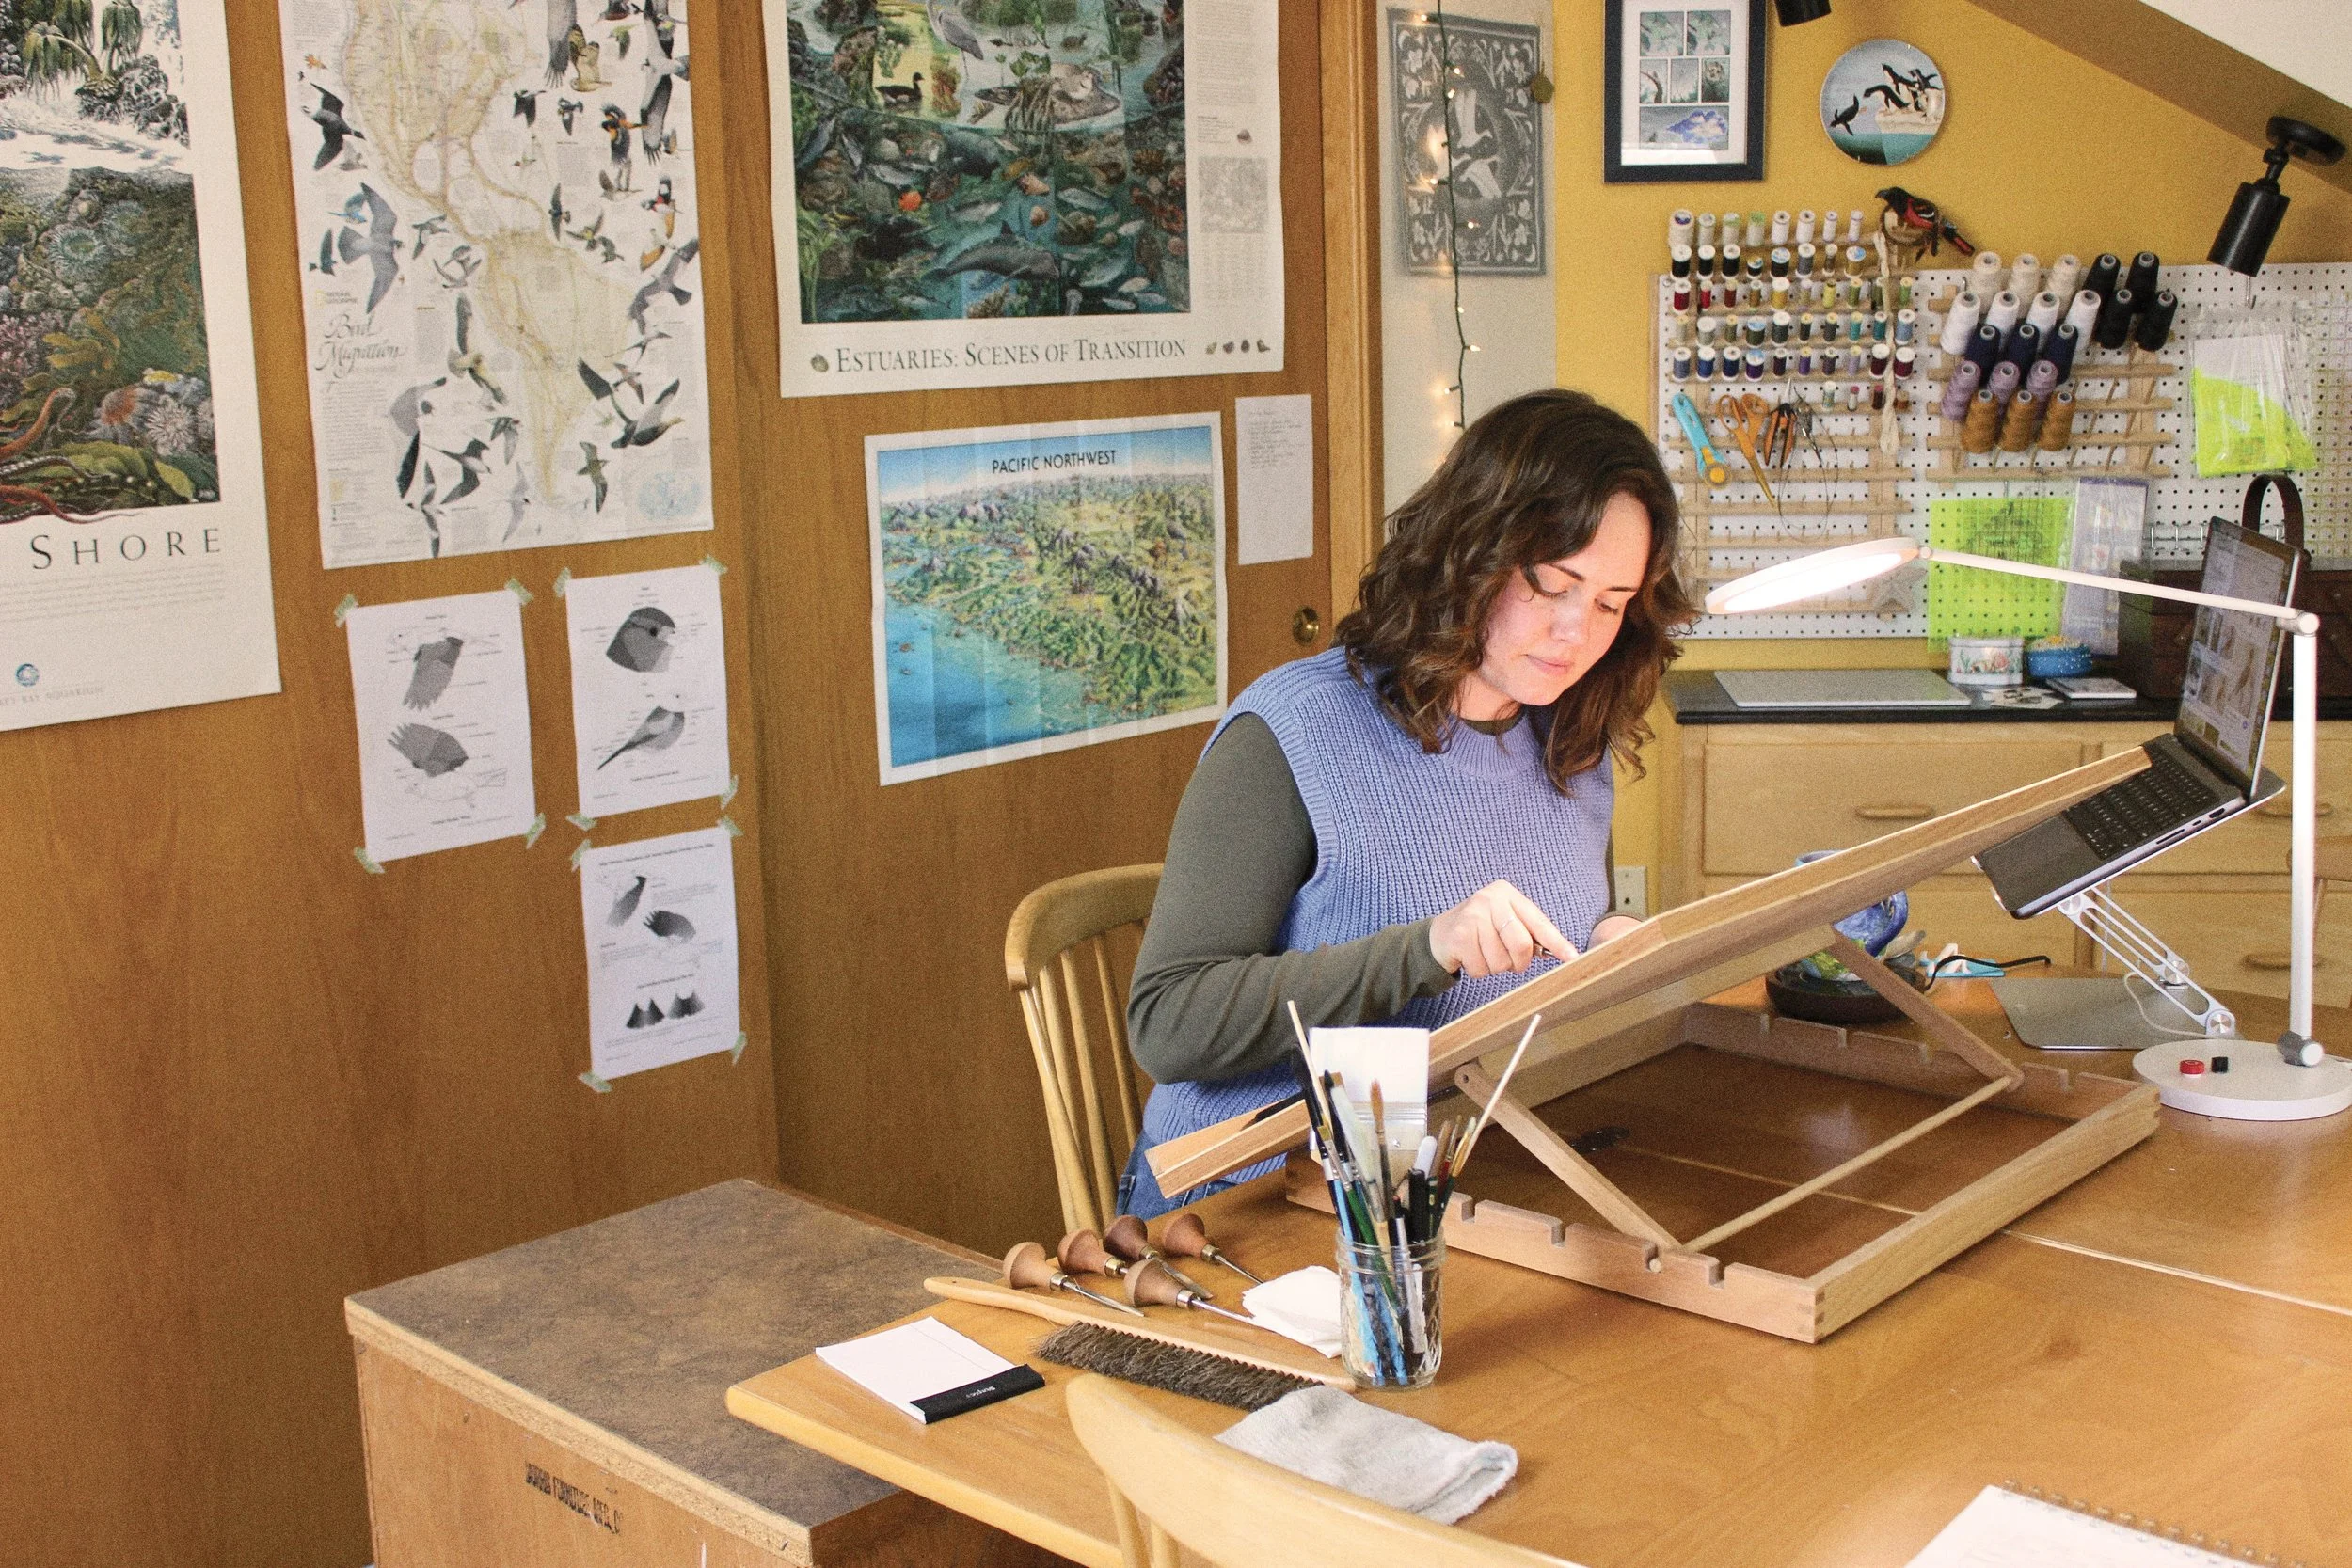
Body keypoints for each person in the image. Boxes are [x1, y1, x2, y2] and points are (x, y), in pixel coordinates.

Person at [1119, 388, 1697, 1217]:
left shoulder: (1575, 738)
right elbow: (1167, 1022)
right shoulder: (1292, 730)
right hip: (1256, 1201)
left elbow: (1535, 969)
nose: (1577, 632)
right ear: (1471, 551)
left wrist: (1604, 948)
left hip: (1456, 1181)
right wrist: (1427, 949)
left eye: (1610, 604)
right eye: (1551, 584)